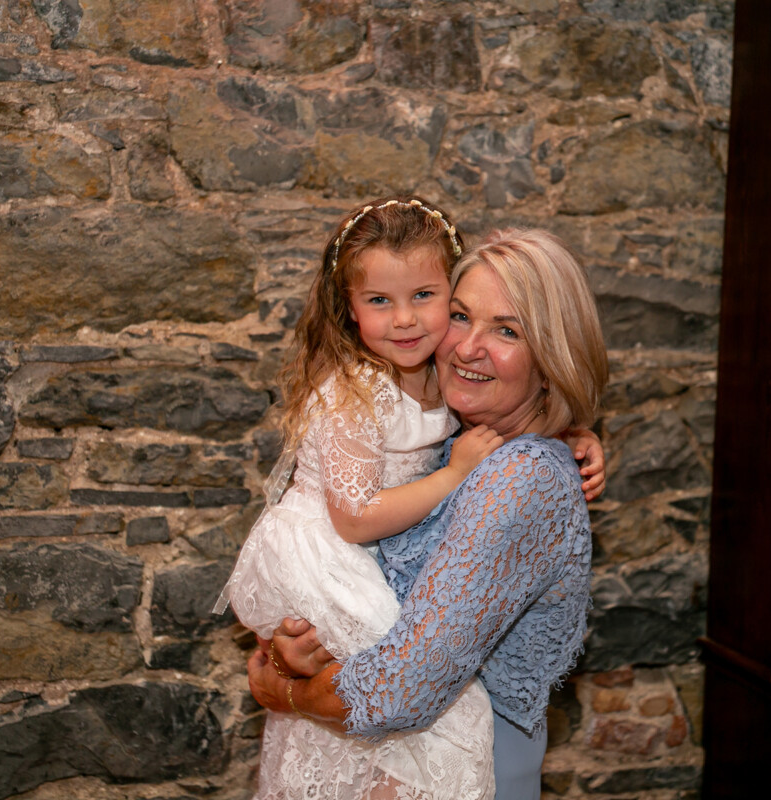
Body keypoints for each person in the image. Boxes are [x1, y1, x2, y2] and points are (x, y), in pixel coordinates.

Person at [215, 201, 603, 800]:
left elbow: (396, 691)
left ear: (552, 356)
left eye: (507, 330)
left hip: (466, 766)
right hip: (388, 755)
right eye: (460, 315)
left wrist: (281, 692)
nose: (468, 346)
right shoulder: (457, 435)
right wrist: (297, 649)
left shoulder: (521, 476)